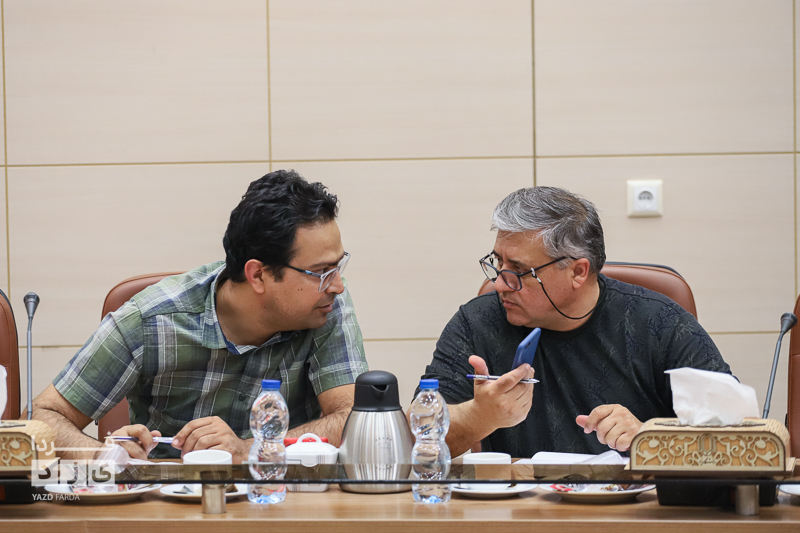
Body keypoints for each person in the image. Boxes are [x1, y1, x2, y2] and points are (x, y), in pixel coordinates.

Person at [32, 170, 369, 462]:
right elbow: (41, 419)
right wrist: (103, 456)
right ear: (258, 275)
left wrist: (249, 450)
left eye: (337, 267)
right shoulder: (149, 322)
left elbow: (355, 419)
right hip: (170, 501)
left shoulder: (325, 306)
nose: (337, 285)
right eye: (321, 272)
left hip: (282, 498)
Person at [419, 186, 731, 458]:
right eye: (498, 262)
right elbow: (416, 434)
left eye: (519, 270)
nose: (500, 283)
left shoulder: (660, 323)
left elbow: (735, 434)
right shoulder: (478, 321)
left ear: (578, 272)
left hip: (637, 505)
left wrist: (649, 437)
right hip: (523, 505)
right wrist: (479, 416)